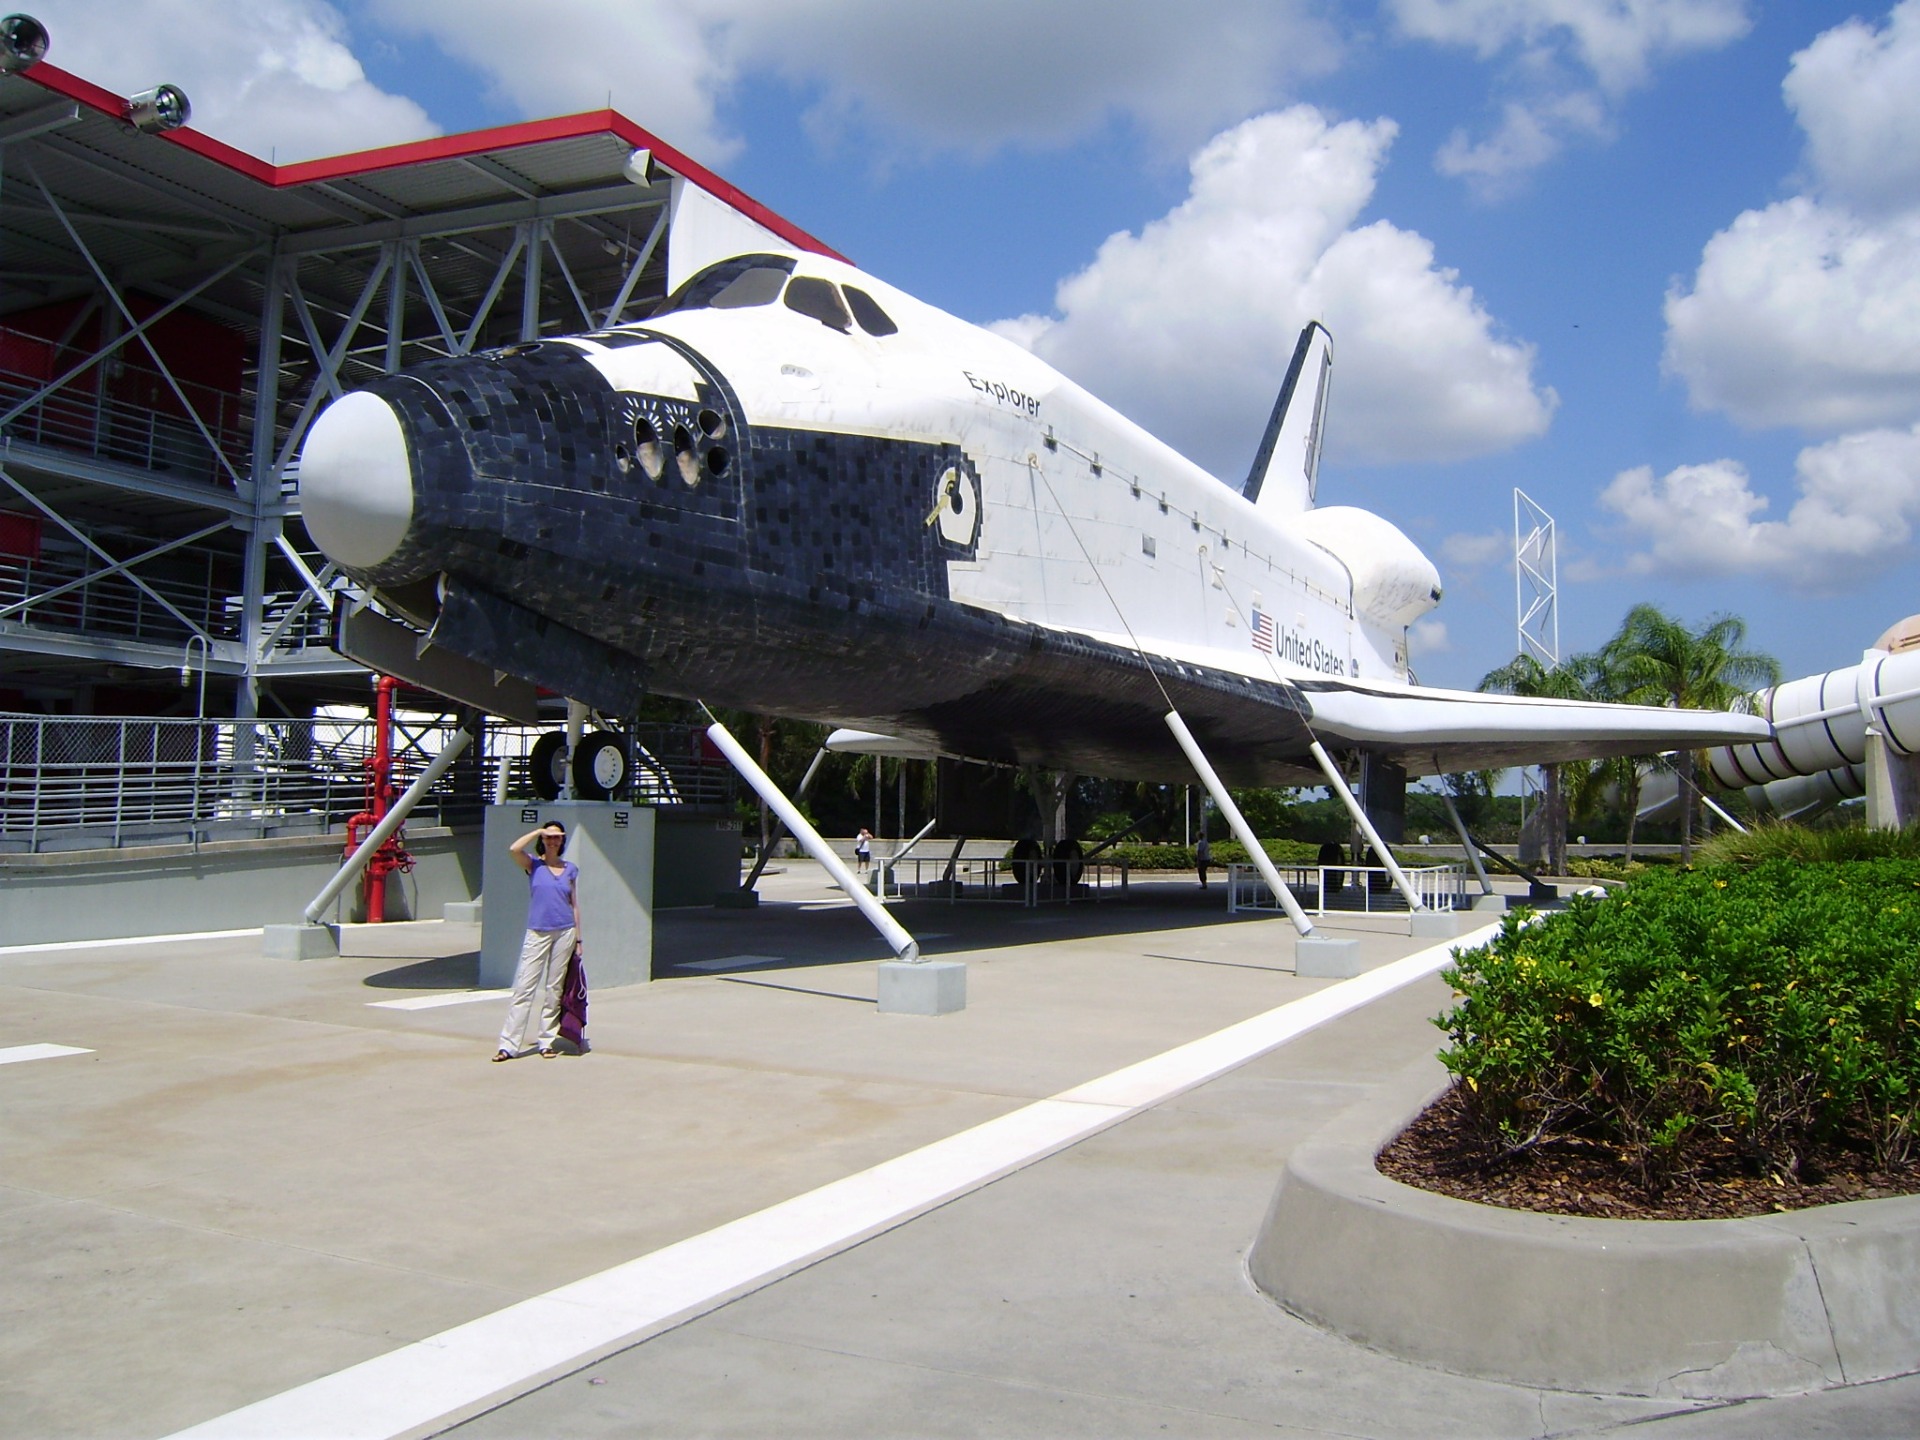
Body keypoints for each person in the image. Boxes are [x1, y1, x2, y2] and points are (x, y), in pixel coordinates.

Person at [495, 821, 581, 1061]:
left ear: (562, 841)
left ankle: (546, 1040)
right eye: (549, 837)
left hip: (564, 931)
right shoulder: (533, 864)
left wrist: (579, 938)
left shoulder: (570, 869)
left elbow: (574, 904)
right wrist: (538, 832)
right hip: (538, 932)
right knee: (525, 988)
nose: (552, 841)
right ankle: (509, 1044)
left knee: (554, 989)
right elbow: (514, 849)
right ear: (543, 840)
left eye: (557, 837)